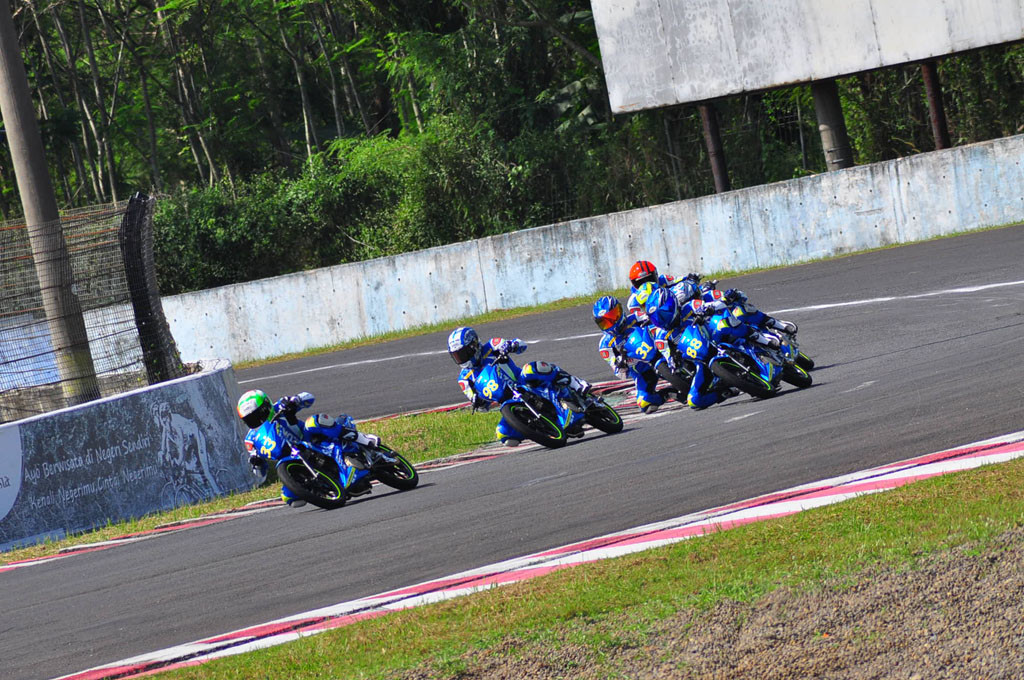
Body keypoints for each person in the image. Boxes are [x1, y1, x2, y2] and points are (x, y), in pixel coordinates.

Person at [447, 326, 592, 445]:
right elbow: (477, 402)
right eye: (456, 356)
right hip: (507, 400)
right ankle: (541, 430)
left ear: (473, 346)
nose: (461, 359)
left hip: (521, 381)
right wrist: (477, 402)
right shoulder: (464, 378)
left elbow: (521, 345)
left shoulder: (491, 346)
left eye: (463, 353)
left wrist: (510, 345)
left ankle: (576, 383)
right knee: (503, 433)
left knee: (531, 369)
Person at [236, 389, 376, 507]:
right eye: (250, 419)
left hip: (310, 439)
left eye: (258, 415)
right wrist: (256, 463)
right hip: (290, 458)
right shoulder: (251, 439)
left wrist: (295, 401)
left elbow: (309, 397)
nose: (257, 421)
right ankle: (325, 487)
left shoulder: (280, 406)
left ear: (266, 406)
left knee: (313, 422)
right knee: (289, 497)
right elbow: (260, 474)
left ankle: (363, 439)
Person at [643, 288, 747, 410]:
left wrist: (716, 305)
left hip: (716, 337)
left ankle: (761, 338)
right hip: (701, 361)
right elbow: (668, 357)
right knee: (694, 400)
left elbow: (714, 305)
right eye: (656, 318)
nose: (662, 320)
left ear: (672, 305)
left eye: (663, 314)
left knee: (730, 322)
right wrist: (674, 360)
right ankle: (727, 391)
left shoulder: (690, 306)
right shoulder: (660, 336)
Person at [593, 296, 672, 414]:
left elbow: (660, 322)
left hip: (660, 352)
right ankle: (669, 393)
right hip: (642, 371)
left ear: (620, 312)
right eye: (605, 323)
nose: (611, 324)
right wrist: (621, 364)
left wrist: (651, 324)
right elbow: (620, 374)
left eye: (613, 317)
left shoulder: (636, 317)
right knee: (645, 404)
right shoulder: (605, 345)